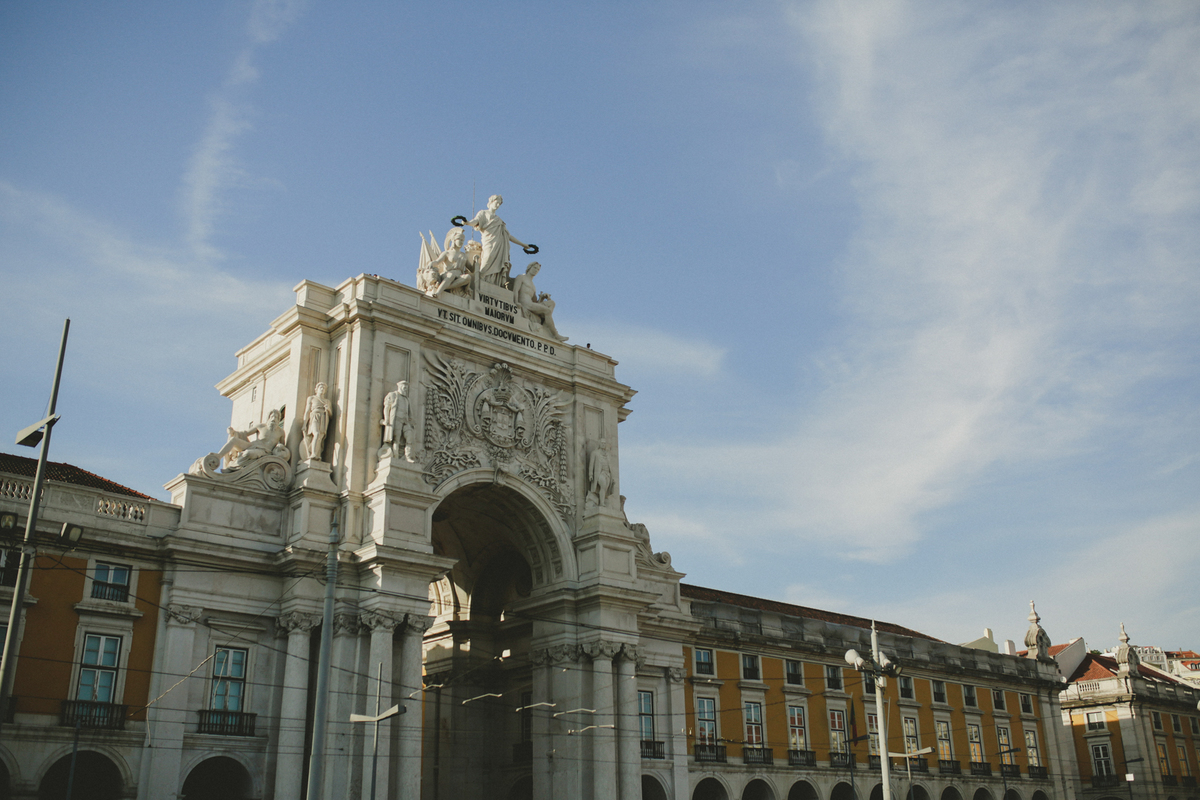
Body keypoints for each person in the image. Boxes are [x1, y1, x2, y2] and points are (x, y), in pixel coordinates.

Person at [465, 194, 530, 288]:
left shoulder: (499, 220)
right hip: (489, 242)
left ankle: (493, 284)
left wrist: (523, 244)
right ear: (491, 202)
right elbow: (476, 221)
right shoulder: (483, 213)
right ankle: (480, 280)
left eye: (499, 203)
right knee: (487, 259)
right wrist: (467, 223)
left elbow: (508, 236)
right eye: (497, 202)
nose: (498, 205)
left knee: (498, 265)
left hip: (500, 245)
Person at [216, 408, 289, 470]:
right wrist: (233, 432)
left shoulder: (281, 432)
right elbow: (245, 433)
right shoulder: (261, 426)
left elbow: (282, 445)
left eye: (276, 417)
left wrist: (280, 446)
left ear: (279, 420)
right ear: (269, 418)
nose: (274, 419)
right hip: (253, 445)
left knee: (248, 453)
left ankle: (233, 468)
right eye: (272, 416)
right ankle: (218, 457)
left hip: (264, 451)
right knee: (233, 440)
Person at [512, 262, 568, 341]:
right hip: (524, 303)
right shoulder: (521, 277)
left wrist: (541, 298)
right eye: (534, 268)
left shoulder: (533, 285)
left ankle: (546, 325)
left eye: (538, 269)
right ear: (529, 267)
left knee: (552, 303)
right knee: (547, 311)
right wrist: (516, 302)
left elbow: (535, 302)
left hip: (531, 304)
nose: (536, 270)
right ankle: (555, 334)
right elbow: (515, 290)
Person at [425, 228, 472, 296]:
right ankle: (438, 293)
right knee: (451, 275)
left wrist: (476, 262)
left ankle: (445, 287)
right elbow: (438, 262)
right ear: (454, 240)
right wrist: (432, 263)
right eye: (460, 240)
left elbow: (471, 268)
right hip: (448, 274)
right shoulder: (447, 253)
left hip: (459, 276)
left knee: (468, 277)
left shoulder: (463, 255)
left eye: (463, 240)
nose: (461, 242)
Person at [380, 380, 415, 462]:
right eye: (404, 386)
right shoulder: (393, 395)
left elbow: (410, 413)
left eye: (406, 387)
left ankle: (408, 456)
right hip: (396, 420)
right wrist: (387, 419)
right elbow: (387, 408)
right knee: (397, 439)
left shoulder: (407, 399)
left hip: (405, 421)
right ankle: (395, 456)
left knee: (410, 437)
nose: (405, 389)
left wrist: (411, 422)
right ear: (399, 386)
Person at [302, 383, 332, 460]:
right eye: (321, 387)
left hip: (324, 418)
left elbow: (331, 414)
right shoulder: (311, 398)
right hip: (314, 416)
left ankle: (317, 453)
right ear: (316, 389)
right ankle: (313, 453)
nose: (322, 389)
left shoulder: (327, 401)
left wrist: (328, 409)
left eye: (324, 388)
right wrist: (304, 424)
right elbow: (307, 411)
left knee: (320, 437)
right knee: (316, 433)